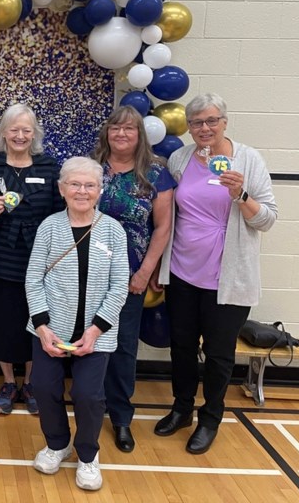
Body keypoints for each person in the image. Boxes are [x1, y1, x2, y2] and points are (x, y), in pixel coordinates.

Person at [154, 93, 278, 454]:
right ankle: (181, 409)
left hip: (227, 280)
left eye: (211, 121)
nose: (204, 128)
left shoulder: (248, 159)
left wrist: (241, 194)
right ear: (189, 127)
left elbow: (267, 219)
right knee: (181, 347)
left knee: (220, 355)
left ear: (225, 121)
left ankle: (210, 419)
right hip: (182, 273)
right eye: (196, 123)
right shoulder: (179, 158)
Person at [26, 156, 128, 492]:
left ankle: (87, 454)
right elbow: (33, 279)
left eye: (89, 185)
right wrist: (42, 327)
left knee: (88, 395)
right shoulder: (49, 227)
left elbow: (120, 285)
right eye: (74, 184)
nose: (81, 191)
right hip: (50, 328)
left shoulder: (113, 230)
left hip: (95, 333)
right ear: (62, 188)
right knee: (43, 387)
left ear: (100, 190)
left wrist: (96, 329)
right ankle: (57, 444)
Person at [92, 106, 175, 453]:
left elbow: (163, 227)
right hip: (90, 272)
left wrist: (145, 271)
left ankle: (121, 418)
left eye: (129, 129)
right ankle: (89, 409)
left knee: (124, 347)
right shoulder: (91, 170)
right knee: (90, 344)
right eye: (115, 128)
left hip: (130, 277)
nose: (122, 134)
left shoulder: (156, 174)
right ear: (107, 134)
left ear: (139, 134)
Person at [0, 103, 63, 415]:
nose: (20, 135)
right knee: (2, 321)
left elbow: (58, 215)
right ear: (3, 132)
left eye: (27, 130)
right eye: (14, 129)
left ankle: (30, 382)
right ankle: (8, 382)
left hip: (39, 258)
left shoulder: (49, 166)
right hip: (0, 256)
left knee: (36, 321)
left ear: (35, 134)